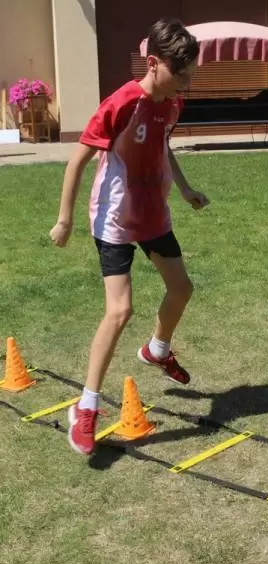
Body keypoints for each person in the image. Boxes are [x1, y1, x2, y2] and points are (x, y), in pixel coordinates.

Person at [49, 17, 209, 455]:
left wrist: (185, 189)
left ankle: (157, 349)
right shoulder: (121, 102)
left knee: (182, 289)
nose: (187, 85)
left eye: (191, 77)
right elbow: (77, 160)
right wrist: (65, 220)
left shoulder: (172, 103)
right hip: (115, 220)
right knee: (119, 310)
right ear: (153, 64)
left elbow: (162, 146)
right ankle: (86, 406)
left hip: (153, 215)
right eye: (182, 76)